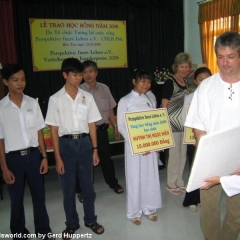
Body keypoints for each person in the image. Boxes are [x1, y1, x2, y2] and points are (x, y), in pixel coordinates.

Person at [185, 31, 240, 240]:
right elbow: (198, 126)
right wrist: (210, 156)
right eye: (220, 57)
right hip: (211, 160)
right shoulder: (206, 87)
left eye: (231, 56)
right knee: (208, 208)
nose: (224, 63)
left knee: (236, 211)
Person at [45, 58, 104, 237]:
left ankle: (91, 219)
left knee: (88, 186)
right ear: (65, 75)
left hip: (85, 143)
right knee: (68, 189)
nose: (79, 78)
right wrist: (57, 157)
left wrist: (95, 149)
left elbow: (92, 124)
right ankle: (71, 223)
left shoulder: (87, 97)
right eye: (75, 75)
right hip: (66, 145)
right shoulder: (55, 99)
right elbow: (53, 130)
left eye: (80, 75)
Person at [0, 64, 54, 240]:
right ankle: (18, 233)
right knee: (16, 200)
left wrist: (44, 156)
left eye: (23, 79)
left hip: (33, 156)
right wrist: (4, 168)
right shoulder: (1, 108)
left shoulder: (32, 102)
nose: (20, 83)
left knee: (39, 197)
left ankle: (43, 231)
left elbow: (39, 131)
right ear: (5, 82)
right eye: (15, 80)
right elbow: (0, 141)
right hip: (13, 159)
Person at [117, 69, 162, 225]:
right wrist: (137, 144)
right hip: (134, 147)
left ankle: (149, 208)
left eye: (149, 81)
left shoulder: (151, 97)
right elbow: (121, 126)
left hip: (150, 147)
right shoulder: (125, 101)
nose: (146, 84)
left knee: (150, 176)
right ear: (134, 82)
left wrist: (159, 142)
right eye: (143, 81)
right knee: (135, 177)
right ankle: (134, 212)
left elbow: (156, 121)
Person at [78, 60, 123, 197]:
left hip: (101, 130)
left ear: (96, 73)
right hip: (85, 133)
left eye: (91, 71)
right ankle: (82, 190)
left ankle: (112, 183)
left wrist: (115, 126)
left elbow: (110, 108)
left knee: (106, 159)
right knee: (85, 162)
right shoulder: (79, 91)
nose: (88, 75)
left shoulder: (104, 88)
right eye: (84, 72)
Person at [182, 67, 212, 212]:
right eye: (201, 80)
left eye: (207, 79)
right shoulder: (190, 97)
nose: (204, 82)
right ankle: (191, 200)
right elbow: (185, 119)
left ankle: (203, 198)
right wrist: (192, 138)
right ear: (195, 81)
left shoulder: (216, 97)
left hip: (211, 141)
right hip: (194, 142)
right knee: (194, 171)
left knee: (208, 172)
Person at [161, 52, 192, 195]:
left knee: (182, 155)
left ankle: (179, 182)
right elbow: (164, 105)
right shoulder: (170, 82)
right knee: (174, 156)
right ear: (176, 67)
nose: (184, 69)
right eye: (182, 67)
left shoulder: (186, 82)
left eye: (187, 67)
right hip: (172, 125)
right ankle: (170, 183)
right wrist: (163, 125)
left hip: (183, 124)